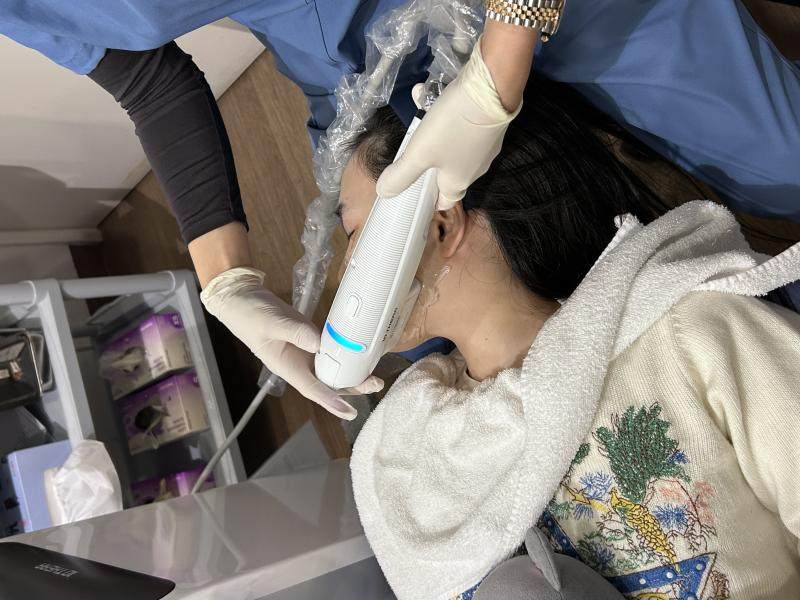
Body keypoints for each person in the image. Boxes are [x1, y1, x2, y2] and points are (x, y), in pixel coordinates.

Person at [2, 0, 798, 420]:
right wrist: (225, 282)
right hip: (352, 55)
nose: (351, 249)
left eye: (353, 233)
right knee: (414, 346)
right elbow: (145, 77)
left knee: (785, 171)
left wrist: (504, 55)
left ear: (447, 223)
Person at [341, 75, 800, 599]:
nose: (343, 270)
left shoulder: (689, 336)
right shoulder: (403, 458)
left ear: (441, 224)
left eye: (353, 234)